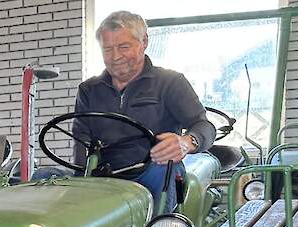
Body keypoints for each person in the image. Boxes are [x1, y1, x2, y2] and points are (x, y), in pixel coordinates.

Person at [73, 10, 216, 212]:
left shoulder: (170, 82)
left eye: (124, 47)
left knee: (163, 168)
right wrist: (78, 183)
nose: (115, 57)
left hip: (149, 171)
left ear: (144, 42)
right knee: (43, 179)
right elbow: (81, 144)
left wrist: (187, 142)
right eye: (107, 49)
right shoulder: (88, 90)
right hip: (103, 178)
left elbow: (205, 126)